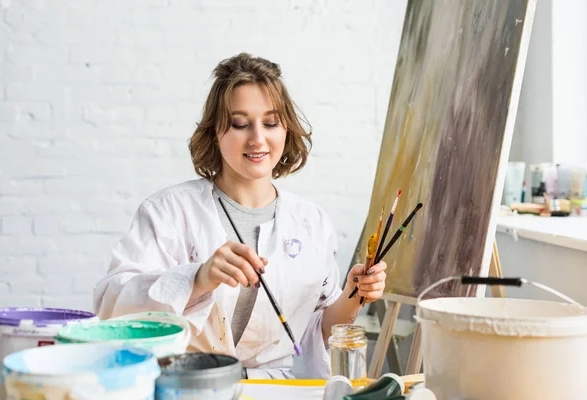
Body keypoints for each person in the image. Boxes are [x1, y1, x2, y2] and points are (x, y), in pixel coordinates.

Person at [93, 53, 387, 379]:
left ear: (286, 129)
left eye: (271, 123)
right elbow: (110, 305)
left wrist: (354, 294)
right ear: (215, 131)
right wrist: (196, 278)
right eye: (240, 124)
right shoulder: (170, 212)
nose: (258, 138)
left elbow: (319, 331)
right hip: (187, 387)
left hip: (273, 392)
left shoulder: (311, 222)